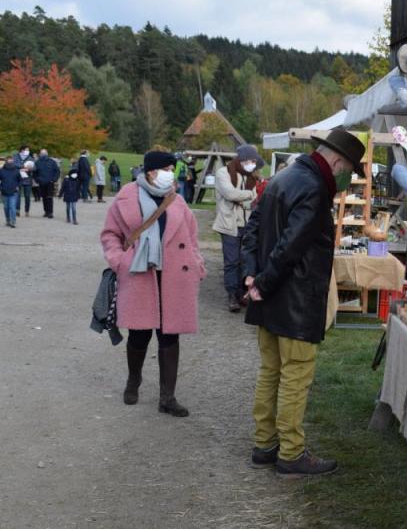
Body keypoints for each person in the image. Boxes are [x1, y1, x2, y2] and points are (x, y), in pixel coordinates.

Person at [241, 127, 365, 477]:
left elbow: (253, 228)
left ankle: (265, 445)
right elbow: (291, 247)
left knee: (271, 372)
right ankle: (291, 453)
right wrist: (260, 282)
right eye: (349, 171)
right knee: (294, 376)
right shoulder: (312, 188)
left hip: (271, 297)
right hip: (293, 300)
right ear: (338, 161)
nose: (347, 179)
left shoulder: (285, 177)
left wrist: (253, 276)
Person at [100, 151, 206, 417]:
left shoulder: (178, 200)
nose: (172, 172)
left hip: (175, 276)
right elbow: (110, 235)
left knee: (170, 335)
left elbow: (192, 238)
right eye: (167, 168)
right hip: (139, 273)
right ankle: (133, 380)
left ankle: (167, 398)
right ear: (151, 171)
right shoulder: (126, 197)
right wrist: (120, 261)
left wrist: (197, 264)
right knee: (139, 334)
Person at [213, 144, 263, 312]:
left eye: (255, 161)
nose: (253, 164)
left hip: (247, 223)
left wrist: (246, 198)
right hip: (229, 223)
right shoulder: (223, 173)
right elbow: (230, 194)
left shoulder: (252, 176)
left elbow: (255, 200)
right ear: (242, 160)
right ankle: (232, 295)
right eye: (250, 160)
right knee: (231, 261)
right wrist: (249, 195)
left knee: (245, 260)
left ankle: (242, 293)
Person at [34, 149, 60, 218]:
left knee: (49, 197)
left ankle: (50, 212)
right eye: (42, 153)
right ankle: (46, 211)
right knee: (45, 198)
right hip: (42, 182)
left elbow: (57, 171)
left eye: (44, 153)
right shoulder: (37, 162)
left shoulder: (52, 162)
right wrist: (37, 180)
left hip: (49, 182)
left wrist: (54, 179)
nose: (43, 154)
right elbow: (34, 173)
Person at [1, 158, 22, 228]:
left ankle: (13, 222)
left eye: (12, 162)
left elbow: (20, 180)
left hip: (14, 192)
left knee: (12, 207)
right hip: (4, 192)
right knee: (6, 207)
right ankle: (8, 220)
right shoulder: (1, 171)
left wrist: (18, 186)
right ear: (6, 162)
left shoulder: (16, 171)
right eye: (9, 161)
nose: (10, 163)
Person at [13, 145, 34, 215]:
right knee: (17, 196)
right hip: (18, 179)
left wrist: (29, 168)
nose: (28, 151)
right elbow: (13, 164)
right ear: (22, 150)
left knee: (27, 196)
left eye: (28, 150)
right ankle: (17, 210)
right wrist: (22, 167)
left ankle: (27, 211)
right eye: (27, 150)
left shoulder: (30, 157)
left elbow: (34, 167)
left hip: (27, 179)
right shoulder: (15, 156)